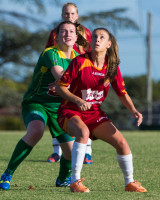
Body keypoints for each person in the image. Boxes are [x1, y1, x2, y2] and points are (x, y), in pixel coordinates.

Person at [0, 21, 89, 190]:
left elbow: (84, 83)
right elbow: (60, 74)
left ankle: (62, 179)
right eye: (63, 31)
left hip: (60, 108)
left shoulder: (79, 59)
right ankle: (8, 173)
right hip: (37, 102)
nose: (67, 34)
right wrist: (67, 84)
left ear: (76, 37)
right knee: (36, 131)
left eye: (71, 32)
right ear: (57, 35)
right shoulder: (51, 53)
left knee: (70, 151)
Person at [55, 27, 147, 193]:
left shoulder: (111, 67)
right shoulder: (80, 61)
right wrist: (77, 99)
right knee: (82, 133)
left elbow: (122, 93)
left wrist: (134, 110)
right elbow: (60, 87)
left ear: (109, 44)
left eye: (102, 37)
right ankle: (75, 182)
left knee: (122, 144)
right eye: (95, 37)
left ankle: (129, 183)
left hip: (94, 114)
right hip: (70, 111)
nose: (97, 39)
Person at [45, 2, 93, 164]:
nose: (69, 16)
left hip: (80, 76)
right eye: (66, 14)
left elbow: (92, 53)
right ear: (62, 15)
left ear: (77, 16)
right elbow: (50, 55)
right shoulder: (55, 32)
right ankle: (56, 151)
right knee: (59, 112)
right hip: (62, 76)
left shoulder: (86, 32)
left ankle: (87, 152)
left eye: (72, 14)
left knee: (84, 111)